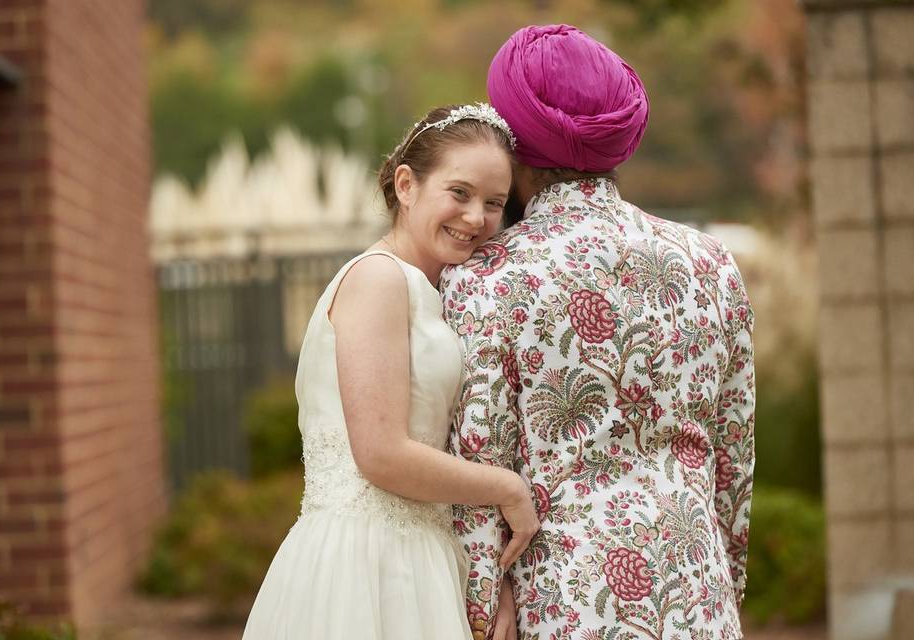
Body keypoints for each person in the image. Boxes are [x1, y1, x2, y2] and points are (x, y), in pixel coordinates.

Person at [441, 25, 755, 640]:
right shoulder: (710, 263)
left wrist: (482, 605)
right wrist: (724, 582)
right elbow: (733, 463)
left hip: (561, 601)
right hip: (699, 592)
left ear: (515, 139)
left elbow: (480, 459)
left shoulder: (488, 278)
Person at [241, 103, 540, 640]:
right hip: (365, 563)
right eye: (459, 193)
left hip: (424, 555)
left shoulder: (436, 292)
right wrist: (509, 489)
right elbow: (380, 452)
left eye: (494, 203)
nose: (476, 217)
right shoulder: (377, 280)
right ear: (406, 185)